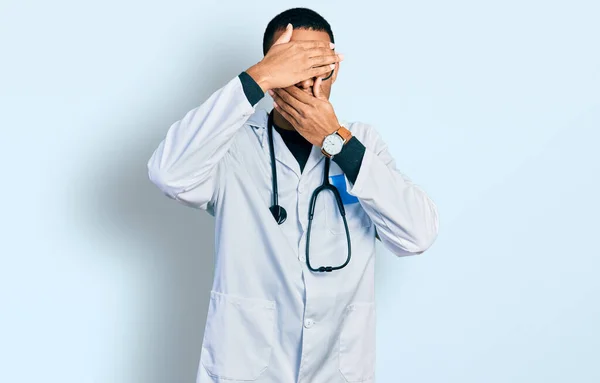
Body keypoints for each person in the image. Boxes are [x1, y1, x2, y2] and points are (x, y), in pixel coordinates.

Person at [147, 7, 439, 383]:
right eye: (293, 63)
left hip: (336, 370)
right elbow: (168, 174)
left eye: (318, 63)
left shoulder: (363, 144)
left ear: (335, 69)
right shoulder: (231, 145)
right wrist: (258, 77)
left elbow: (417, 235)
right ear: (271, 70)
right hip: (246, 370)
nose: (306, 79)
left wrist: (336, 142)